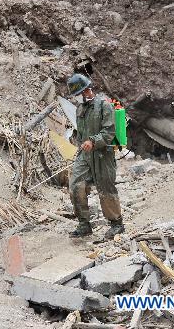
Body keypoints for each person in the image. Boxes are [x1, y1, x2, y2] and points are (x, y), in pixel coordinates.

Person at [67, 74, 124, 240]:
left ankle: (116, 224)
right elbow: (81, 133)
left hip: (102, 154)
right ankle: (84, 224)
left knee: (105, 188)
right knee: (76, 185)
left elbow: (109, 132)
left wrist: (93, 141)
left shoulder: (104, 105)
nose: (77, 98)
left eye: (78, 94)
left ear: (86, 91)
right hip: (85, 155)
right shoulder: (80, 109)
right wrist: (80, 143)